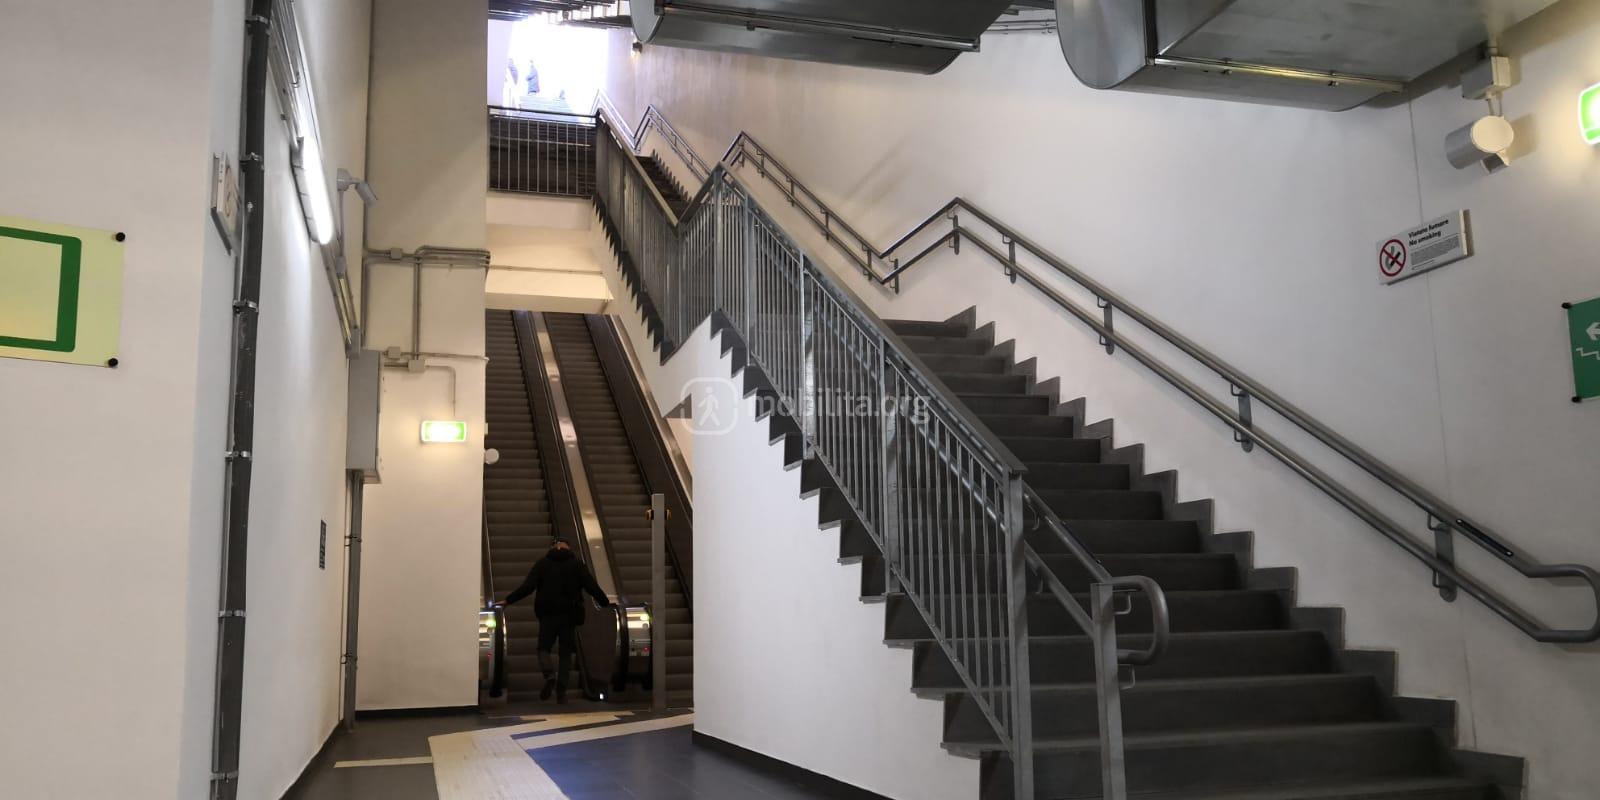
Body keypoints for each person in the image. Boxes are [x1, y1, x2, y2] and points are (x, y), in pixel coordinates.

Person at [499, 537, 610, 703]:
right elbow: (591, 586)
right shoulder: (577, 564)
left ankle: (549, 674)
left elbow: (528, 587)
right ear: (568, 548)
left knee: (543, 649)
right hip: (569, 616)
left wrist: (508, 600)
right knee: (565, 654)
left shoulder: (543, 564)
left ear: (552, 548)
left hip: (548, 615)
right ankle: (561, 693)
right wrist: (605, 602)